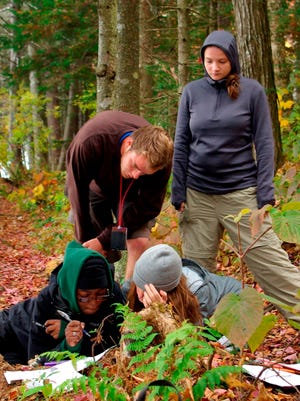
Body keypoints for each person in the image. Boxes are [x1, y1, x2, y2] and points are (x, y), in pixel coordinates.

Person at [171, 30, 300, 323]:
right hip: (197, 197)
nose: (214, 68)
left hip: (241, 195)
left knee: (273, 266)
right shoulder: (192, 92)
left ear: (233, 61)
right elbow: (181, 143)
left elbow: (265, 144)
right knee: (194, 275)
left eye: (221, 61)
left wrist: (265, 192)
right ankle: (199, 342)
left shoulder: (252, 91)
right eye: (208, 61)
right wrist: (178, 190)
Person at [66, 110, 174, 281]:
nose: (137, 175)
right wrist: (87, 241)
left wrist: (106, 237)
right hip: (96, 189)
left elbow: (148, 208)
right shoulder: (91, 141)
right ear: (129, 144)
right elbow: (77, 193)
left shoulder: (162, 162)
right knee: (92, 244)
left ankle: (128, 295)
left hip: (132, 196)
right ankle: (102, 283)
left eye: (145, 173)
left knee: (138, 241)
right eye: (135, 166)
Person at [0, 241, 125, 365]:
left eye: (100, 294)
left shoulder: (113, 294)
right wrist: (71, 338)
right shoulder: (47, 300)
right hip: (11, 329)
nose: (93, 303)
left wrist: (71, 339)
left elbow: (115, 342)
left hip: (21, 354)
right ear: (70, 290)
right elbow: (36, 359)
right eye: (84, 297)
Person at [126, 243, 242, 323]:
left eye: (149, 291)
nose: (141, 295)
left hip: (237, 307)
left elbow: (188, 342)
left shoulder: (197, 292)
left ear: (167, 291)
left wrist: (161, 312)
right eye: (140, 286)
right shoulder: (139, 277)